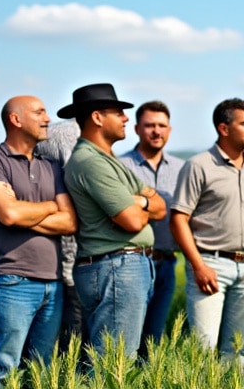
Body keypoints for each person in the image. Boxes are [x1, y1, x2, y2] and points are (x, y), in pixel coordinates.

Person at [0, 95, 76, 388]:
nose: (47, 118)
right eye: (39, 112)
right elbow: (9, 214)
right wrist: (49, 207)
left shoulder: (51, 166)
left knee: (40, 372)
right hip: (11, 280)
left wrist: (24, 211)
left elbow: (69, 222)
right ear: (15, 120)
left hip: (52, 283)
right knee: (4, 367)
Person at [170, 98, 244, 362]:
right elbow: (178, 219)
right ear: (224, 128)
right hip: (210, 265)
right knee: (202, 350)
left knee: (238, 351)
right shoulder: (198, 165)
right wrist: (198, 266)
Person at [58, 83, 166, 361]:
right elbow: (131, 221)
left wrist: (139, 201)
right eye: (118, 112)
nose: (126, 118)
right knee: (115, 362)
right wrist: (141, 204)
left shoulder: (107, 160)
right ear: (97, 117)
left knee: (113, 357)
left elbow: (160, 206)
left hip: (122, 266)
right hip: (116, 267)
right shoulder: (91, 163)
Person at [118, 101, 185, 351]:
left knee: (153, 340)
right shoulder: (121, 166)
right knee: (127, 340)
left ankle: (147, 387)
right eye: (149, 126)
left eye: (161, 125)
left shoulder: (182, 168)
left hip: (167, 263)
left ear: (169, 129)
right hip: (132, 262)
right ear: (136, 129)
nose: (156, 131)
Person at [34, 117, 84, 347]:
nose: (123, 118)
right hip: (72, 264)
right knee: (76, 346)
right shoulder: (65, 136)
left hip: (74, 264)